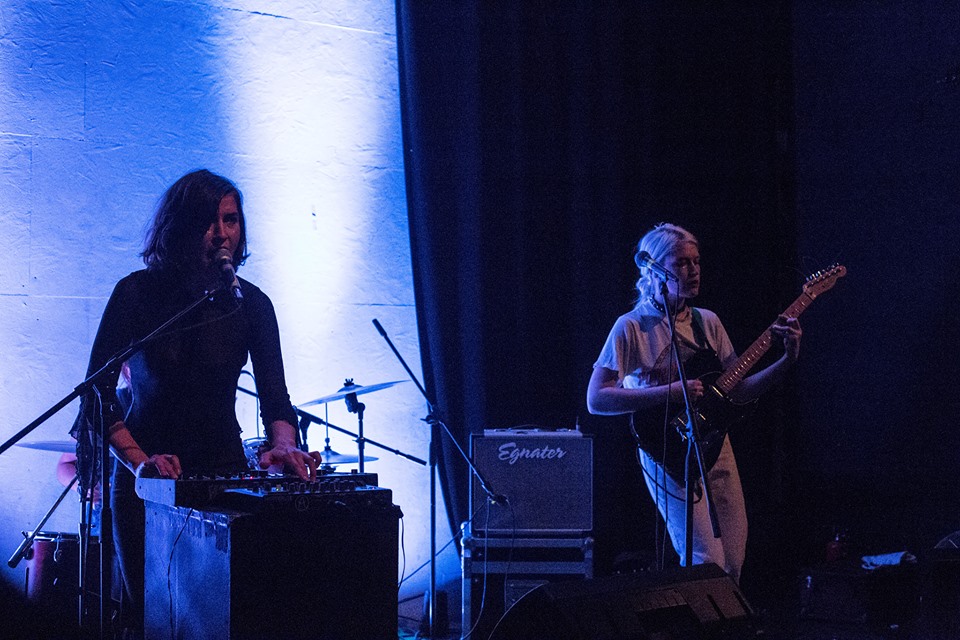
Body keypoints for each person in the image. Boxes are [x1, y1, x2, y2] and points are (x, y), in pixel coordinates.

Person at [70, 169, 322, 634]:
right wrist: (140, 462)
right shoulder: (136, 294)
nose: (222, 233)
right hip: (146, 478)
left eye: (231, 220)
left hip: (222, 473)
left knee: (223, 618)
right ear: (180, 227)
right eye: (209, 221)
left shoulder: (252, 304)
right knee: (152, 617)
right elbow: (96, 395)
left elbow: (277, 399)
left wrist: (284, 444)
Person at [586, 223, 801, 583]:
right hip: (665, 452)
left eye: (696, 261)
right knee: (704, 560)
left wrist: (786, 360)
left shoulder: (708, 322)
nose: (694, 270)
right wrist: (669, 392)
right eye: (682, 263)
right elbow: (597, 399)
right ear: (656, 270)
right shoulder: (631, 326)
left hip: (714, 443)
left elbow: (738, 390)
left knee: (734, 559)